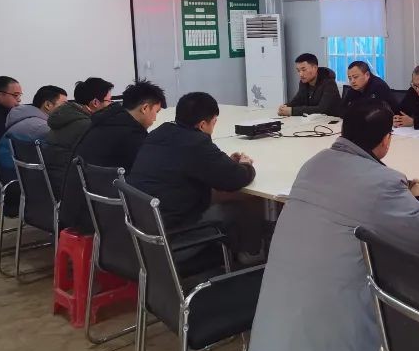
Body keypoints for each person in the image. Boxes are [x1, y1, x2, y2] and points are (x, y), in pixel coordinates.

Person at [247, 99, 419, 351]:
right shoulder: (382, 183)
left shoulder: (314, 164)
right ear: (386, 141)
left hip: (276, 324)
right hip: (332, 332)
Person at [128, 91, 261, 252]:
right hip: (173, 237)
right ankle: (251, 255)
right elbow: (236, 178)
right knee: (243, 205)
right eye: (214, 122)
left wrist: (225, 163)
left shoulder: (160, 133)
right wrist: (246, 165)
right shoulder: (196, 143)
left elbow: (193, 165)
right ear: (203, 125)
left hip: (142, 232)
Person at [61, 80, 167, 230]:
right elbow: (149, 175)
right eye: (156, 112)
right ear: (145, 108)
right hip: (95, 217)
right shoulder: (131, 135)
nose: (155, 118)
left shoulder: (106, 122)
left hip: (75, 209)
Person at [43, 77, 114, 196]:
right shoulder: (87, 125)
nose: (111, 105)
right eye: (109, 101)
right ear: (95, 103)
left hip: (54, 182)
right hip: (71, 188)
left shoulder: (65, 116)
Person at [0, 85, 68, 179]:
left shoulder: (25, 118)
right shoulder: (41, 128)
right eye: (64, 105)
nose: (67, 109)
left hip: (6, 171)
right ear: (48, 105)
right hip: (18, 177)